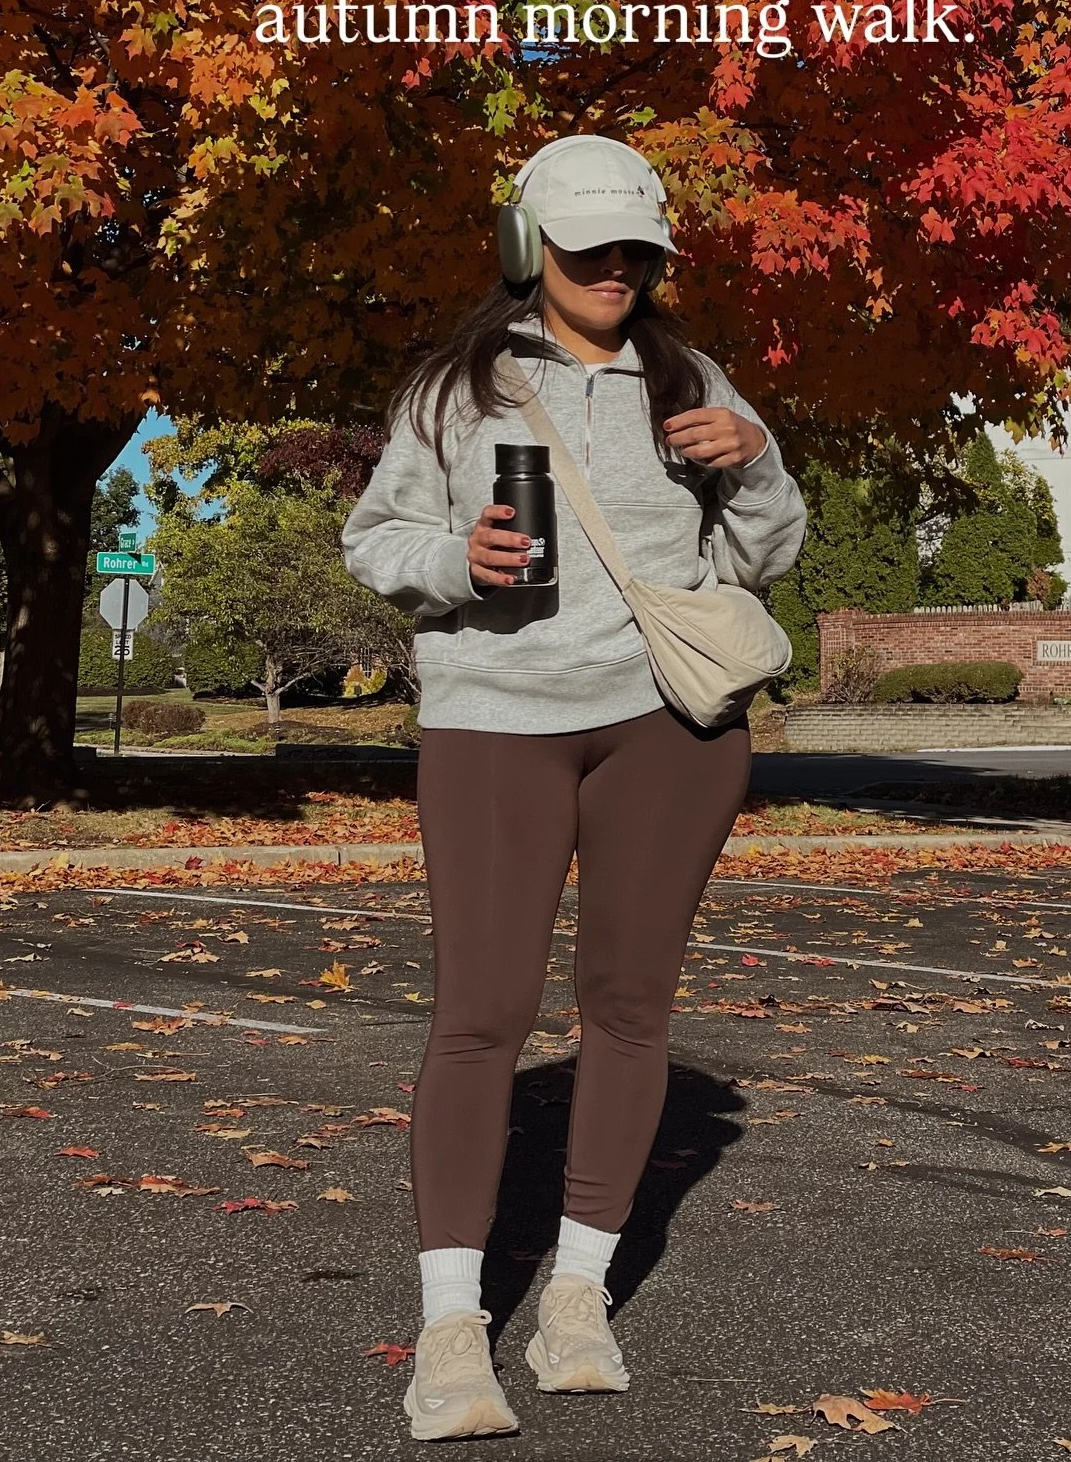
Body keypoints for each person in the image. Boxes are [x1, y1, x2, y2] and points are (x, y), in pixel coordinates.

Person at [342, 133, 808, 1442]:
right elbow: (375, 540)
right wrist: (459, 559)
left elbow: (763, 556)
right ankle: (450, 1329)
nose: (613, 268)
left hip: (669, 728)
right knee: (480, 1017)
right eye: (587, 245)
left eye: (635, 249)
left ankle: (577, 1299)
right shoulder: (454, 388)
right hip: (497, 721)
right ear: (525, 246)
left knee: (629, 1010)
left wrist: (756, 460)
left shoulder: (690, 380)